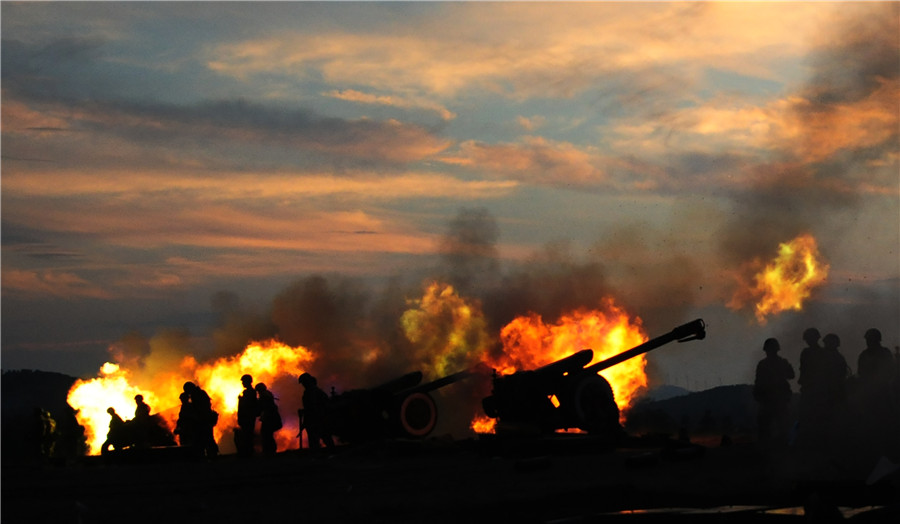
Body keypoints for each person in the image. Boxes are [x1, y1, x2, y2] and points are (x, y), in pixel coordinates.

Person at [753, 338, 795, 448]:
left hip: (773, 399)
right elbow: (791, 375)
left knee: (774, 424)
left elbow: (791, 375)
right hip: (773, 398)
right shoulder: (780, 363)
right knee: (775, 424)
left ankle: (772, 447)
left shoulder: (764, 364)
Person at [298, 373, 334, 450]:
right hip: (319, 419)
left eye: (304, 382)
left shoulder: (312, 392)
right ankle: (330, 453)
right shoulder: (315, 391)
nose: (303, 384)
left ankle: (321, 456)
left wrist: (306, 416)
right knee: (325, 437)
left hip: (316, 419)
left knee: (316, 439)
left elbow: (313, 407)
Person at [183, 381, 219, 459]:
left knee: (205, 438)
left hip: (203, 421)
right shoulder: (199, 393)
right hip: (204, 420)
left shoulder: (197, 395)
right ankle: (211, 454)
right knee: (207, 438)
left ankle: (210, 454)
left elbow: (201, 409)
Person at [255, 383, 282, 457]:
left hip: (269, 419)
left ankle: (269, 451)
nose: (258, 392)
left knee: (266, 434)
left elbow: (261, 407)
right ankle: (271, 450)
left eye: (258, 391)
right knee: (267, 434)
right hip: (270, 418)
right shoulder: (267, 395)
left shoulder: (264, 396)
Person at [236, 374, 258, 457]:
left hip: (247, 417)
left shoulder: (250, 392)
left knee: (247, 435)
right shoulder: (249, 392)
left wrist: (241, 399)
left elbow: (247, 406)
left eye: (243, 381)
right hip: (247, 417)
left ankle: (248, 453)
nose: (242, 383)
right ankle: (248, 452)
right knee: (247, 435)